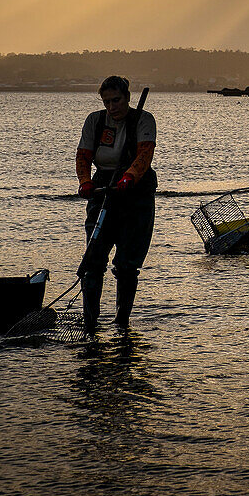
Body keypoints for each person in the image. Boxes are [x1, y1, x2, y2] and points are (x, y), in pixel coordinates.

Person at [76, 76, 157, 330]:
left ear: (127, 98)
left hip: (137, 192)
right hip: (103, 186)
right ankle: (90, 321)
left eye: (116, 100)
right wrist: (85, 181)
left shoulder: (144, 120)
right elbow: (83, 155)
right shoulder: (95, 121)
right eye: (107, 101)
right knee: (93, 259)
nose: (112, 107)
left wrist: (129, 177)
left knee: (127, 264)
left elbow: (145, 156)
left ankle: (122, 321)